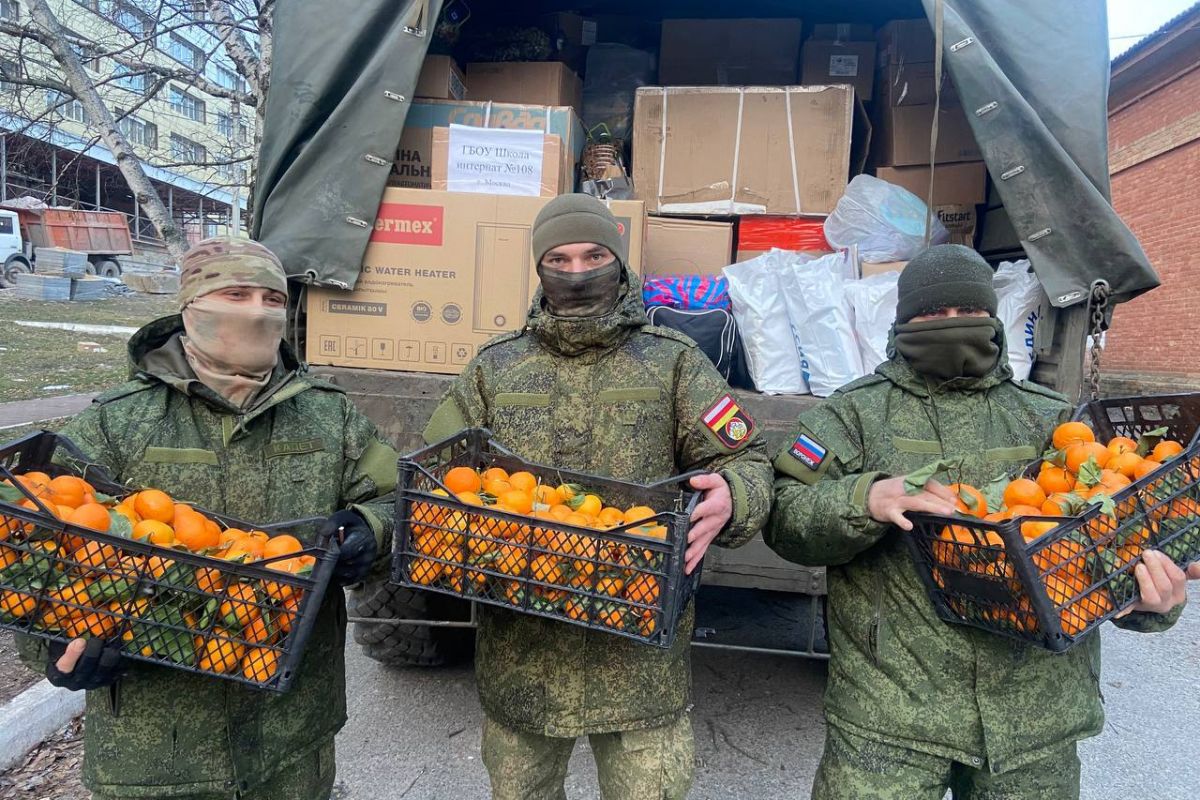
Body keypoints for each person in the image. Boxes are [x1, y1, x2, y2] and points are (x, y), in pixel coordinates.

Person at [765, 244, 1195, 800]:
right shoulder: (852, 414)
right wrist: (865, 497)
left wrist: (1154, 604)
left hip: (1035, 721)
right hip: (891, 714)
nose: (950, 325)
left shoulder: (1053, 421)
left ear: (991, 319)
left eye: (964, 312)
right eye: (931, 314)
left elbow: (1117, 536)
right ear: (901, 323)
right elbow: (785, 519)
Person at [19, 237, 399, 800]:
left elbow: (396, 500)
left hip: (292, 732)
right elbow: (33, 542)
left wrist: (374, 528)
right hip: (157, 746)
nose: (255, 311)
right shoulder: (119, 423)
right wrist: (54, 651)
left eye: (272, 297)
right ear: (191, 305)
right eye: (235, 293)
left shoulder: (328, 414)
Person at [421, 194, 774, 800]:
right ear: (538, 268)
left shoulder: (674, 365)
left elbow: (747, 459)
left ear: (619, 260)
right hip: (522, 655)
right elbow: (437, 471)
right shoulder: (494, 370)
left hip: (640, 658)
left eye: (593, 254)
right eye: (559, 257)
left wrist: (734, 498)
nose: (578, 271)